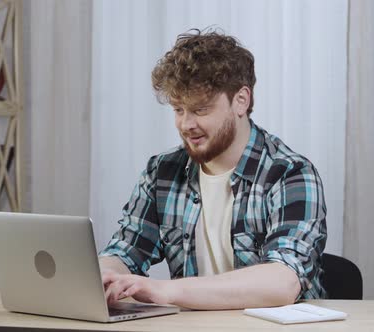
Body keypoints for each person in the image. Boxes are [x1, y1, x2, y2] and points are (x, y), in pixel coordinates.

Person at [99, 29, 327, 310]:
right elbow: (126, 251)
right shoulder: (162, 171)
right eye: (178, 109)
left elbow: (282, 281)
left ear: (241, 100)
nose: (185, 124)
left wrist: (167, 290)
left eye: (201, 110)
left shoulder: (290, 173)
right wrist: (103, 274)